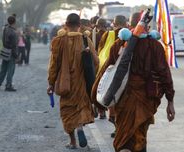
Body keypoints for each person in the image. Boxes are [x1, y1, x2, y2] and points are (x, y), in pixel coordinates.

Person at [110, 12, 175, 152]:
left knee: (124, 136)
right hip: (145, 99)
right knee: (140, 135)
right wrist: (170, 101)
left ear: (129, 25)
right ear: (148, 26)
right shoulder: (155, 46)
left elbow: (107, 72)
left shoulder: (118, 44)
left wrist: (100, 98)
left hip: (123, 98)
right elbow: (164, 74)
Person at [47, 13, 99, 149]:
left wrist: (51, 83)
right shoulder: (85, 40)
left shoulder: (58, 41)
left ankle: (72, 141)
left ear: (66, 24)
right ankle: (80, 127)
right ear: (79, 26)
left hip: (65, 83)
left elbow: (53, 65)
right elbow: (96, 61)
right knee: (81, 106)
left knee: (67, 111)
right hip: (82, 83)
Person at [0, 15, 18, 91]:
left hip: (4, 50)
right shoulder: (13, 32)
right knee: (10, 70)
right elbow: (14, 45)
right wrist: (16, 55)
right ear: (14, 22)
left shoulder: (5, 29)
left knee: (3, 69)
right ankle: (8, 85)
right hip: (11, 52)